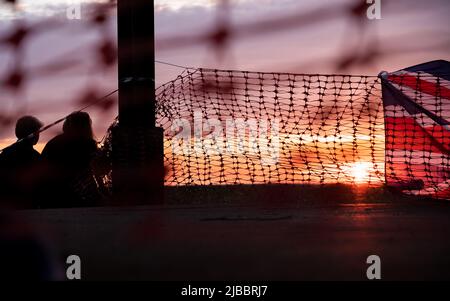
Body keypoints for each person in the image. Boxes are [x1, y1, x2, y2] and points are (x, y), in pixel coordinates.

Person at [40, 112, 100, 208]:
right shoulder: (88, 144)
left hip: (51, 193)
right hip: (78, 195)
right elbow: (92, 170)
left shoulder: (53, 143)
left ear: (67, 124)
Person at [0, 116, 43, 209]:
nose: (39, 135)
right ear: (33, 134)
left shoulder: (5, 153)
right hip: (28, 208)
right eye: (38, 132)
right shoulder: (35, 157)